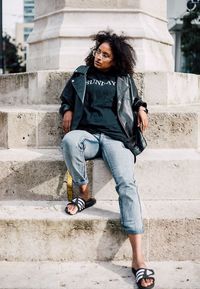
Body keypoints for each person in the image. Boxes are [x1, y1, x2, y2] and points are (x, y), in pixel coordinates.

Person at [59, 30, 155, 289]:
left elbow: (136, 99)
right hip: (88, 135)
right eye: (97, 52)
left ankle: (138, 258)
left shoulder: (123, 78)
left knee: (127, 185)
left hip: (116, 138)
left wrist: (141, 108)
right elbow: (66, 98)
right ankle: (84, 194)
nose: (98, 57)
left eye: (105, 55)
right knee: (69, 141)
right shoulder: (82, 73)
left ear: (116, 60)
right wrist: (67, 110)